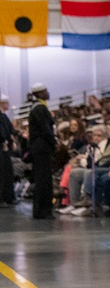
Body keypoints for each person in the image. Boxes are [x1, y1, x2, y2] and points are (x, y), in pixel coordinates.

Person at [26, 83, 55, 219]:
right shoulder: (40, 109)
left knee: (42, 179)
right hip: (42, 148)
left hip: (39, 147)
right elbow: (46, 129)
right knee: (43, 180)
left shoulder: (38, 107)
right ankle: (43, 210)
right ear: (40, 93)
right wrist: (53, 143)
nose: (48, 93)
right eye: (45, 91)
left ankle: (41, 210)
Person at [0, 93, 14, 206]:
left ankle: (7, 197)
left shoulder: (3, 116)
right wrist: (4, 140)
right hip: (2, 148)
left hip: (4, 148)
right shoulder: (1, 116)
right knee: (4, 174)